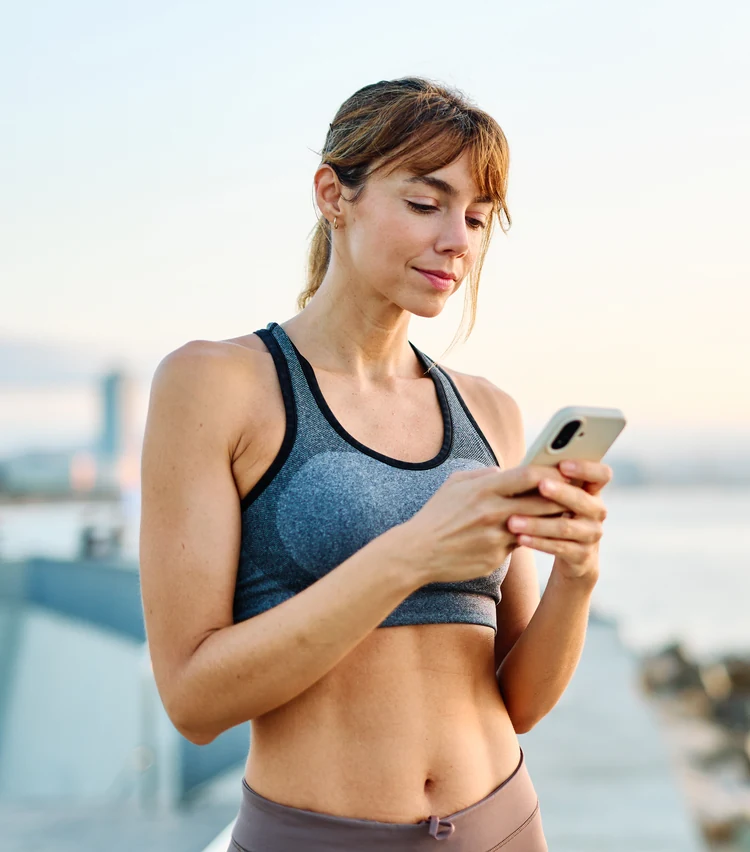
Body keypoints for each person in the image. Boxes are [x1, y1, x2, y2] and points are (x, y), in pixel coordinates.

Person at [139, 77, 611, 851]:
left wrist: (579, 573)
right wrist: (414, 553)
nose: (457, 240)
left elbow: (520, 701)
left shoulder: (488, 410)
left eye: (477, 218)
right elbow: (193, 701)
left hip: (503, 825)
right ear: (334, 195)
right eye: (426, 204)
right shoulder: (216, 384)